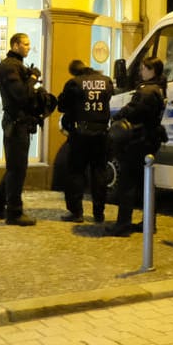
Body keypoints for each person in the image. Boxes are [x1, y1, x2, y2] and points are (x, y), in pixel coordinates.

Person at [0, 33, 44, 226]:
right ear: (15, 44)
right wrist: (33, 78)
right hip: (16, 123)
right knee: (17, 169)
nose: (28, 47)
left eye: (29, 44)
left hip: (19, 122)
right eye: (25, 44)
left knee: (15, 167)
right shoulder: (10, 66)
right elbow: (21, 95)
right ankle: (14, 212)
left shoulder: (16, 65)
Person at [107, 55, 166, 236]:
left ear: (152, 71)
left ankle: (123, 224)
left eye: (143, 68)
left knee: (127, 182)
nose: (141, 71)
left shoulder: (147, 91)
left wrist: (117, 116)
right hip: (150, 138)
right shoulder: (159, 88)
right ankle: (149, 222)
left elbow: (133, 111)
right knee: (144, 183)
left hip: (139, 140)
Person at [58, 59, 114, 223]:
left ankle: (76, 212)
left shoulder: (74, 83)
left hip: (80, 133)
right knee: (99, 172)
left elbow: (62, 105)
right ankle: (99, 213)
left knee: (76, 172)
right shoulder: (106, 81)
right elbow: (109, 98)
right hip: (102, 132)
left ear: (74, 72)